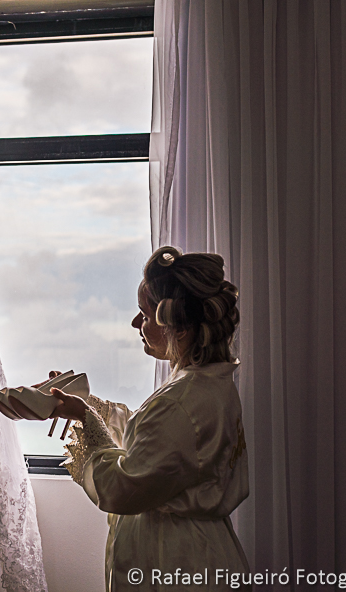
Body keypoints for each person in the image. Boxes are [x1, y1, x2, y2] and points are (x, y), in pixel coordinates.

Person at [47, 246, 250, 591]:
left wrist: (86, 419)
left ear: (178, 328)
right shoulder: (206, 384)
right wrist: (92, 406)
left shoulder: (182, 401)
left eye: (144, 314)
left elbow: (122, 487)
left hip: (176, 561)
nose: (135, 323)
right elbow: (158, 451)